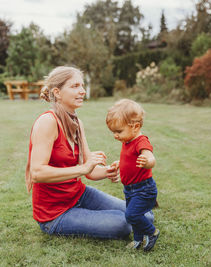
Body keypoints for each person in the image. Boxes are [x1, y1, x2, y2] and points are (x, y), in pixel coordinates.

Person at [25, 66, 153, 239]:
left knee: (145, 215)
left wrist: (108, 171)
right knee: (123, 224)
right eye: (75, 86)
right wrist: (83, 169)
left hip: (79, 194)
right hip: (55, 214)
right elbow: (37, 173)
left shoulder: (77, 122)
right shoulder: (47, 122)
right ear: (58, 92)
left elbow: (90, 171)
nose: (82, 91)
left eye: (82, 86)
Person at [106, 99, 160, 251]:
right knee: (134, 216)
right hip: (130, 189)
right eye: (113, 132)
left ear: (135, 127)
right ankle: (138, 240)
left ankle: (152, 232)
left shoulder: (141, 141)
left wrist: (146, 161)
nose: (115, 135)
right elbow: (129, 159)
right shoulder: (127, 140)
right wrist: (120, 162)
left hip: (143, 189)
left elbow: (151, 158)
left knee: (131, 215)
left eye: (118, 131)